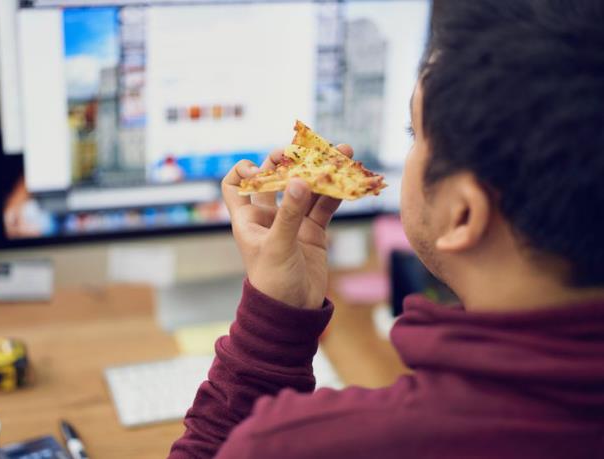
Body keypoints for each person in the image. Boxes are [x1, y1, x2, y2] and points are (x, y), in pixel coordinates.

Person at [169, 0, 604, 457]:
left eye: (413, 133)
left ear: (462, 214)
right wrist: (283, 309)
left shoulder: (296, 445)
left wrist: (264, 344)